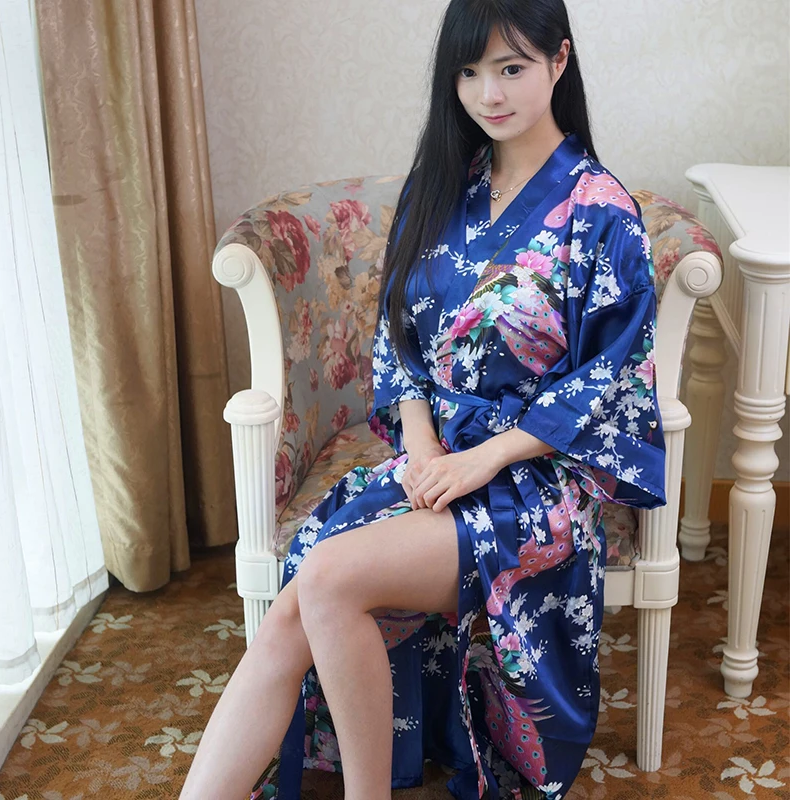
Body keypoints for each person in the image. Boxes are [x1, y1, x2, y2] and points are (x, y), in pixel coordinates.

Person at [180, 1, 667, 798]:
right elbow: (398, 338)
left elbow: (609, 377)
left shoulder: (602, 212)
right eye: (469, 72)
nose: (488, 93)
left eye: (511, 68)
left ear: (559, 60)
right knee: (290, 616)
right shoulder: (441, 187)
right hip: (436, 462)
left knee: (326, 580)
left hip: (535, 484)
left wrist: (484, 459)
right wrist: (424, 447)